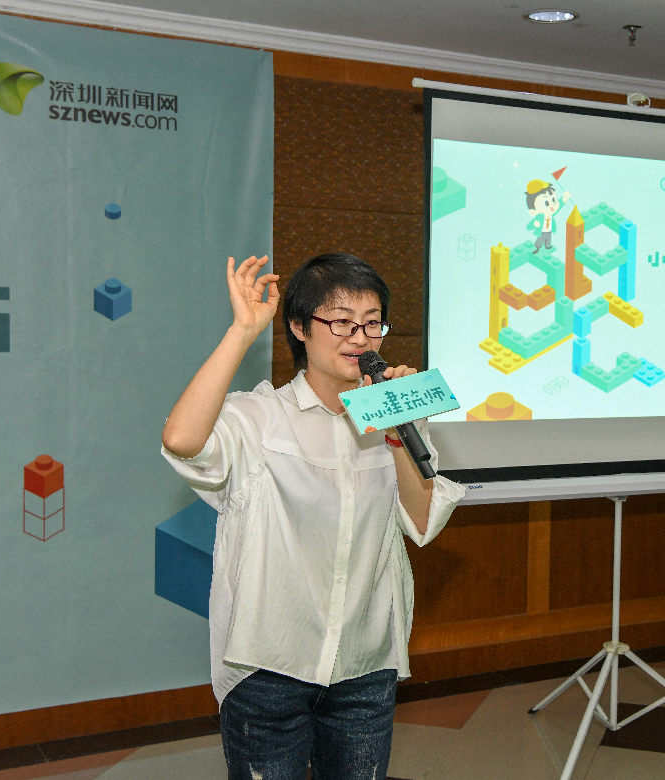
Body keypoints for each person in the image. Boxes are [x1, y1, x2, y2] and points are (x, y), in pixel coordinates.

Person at [160, 253, 464, 780]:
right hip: (268, 665)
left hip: (365, 664)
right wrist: (242, 330)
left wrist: (398, 430)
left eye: (372, 322)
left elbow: (422, 523)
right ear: (300, 328)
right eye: (341, 321)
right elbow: (182, 440)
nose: (360, 338)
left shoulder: (393, 418)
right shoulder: (260, 416)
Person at [525, 179, 571, 254]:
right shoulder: (539, 217)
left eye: (553, 200)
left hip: (549, 231)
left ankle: (547, 246)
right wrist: (535, 224)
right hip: (542, 232)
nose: (552, 206)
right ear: (533, 211)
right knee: (540, 240)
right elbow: (528, 227)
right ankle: (537, 248)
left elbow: (558, 206)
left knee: (548, 239)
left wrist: (564, 198)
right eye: (546, 203)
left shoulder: (550, 214)